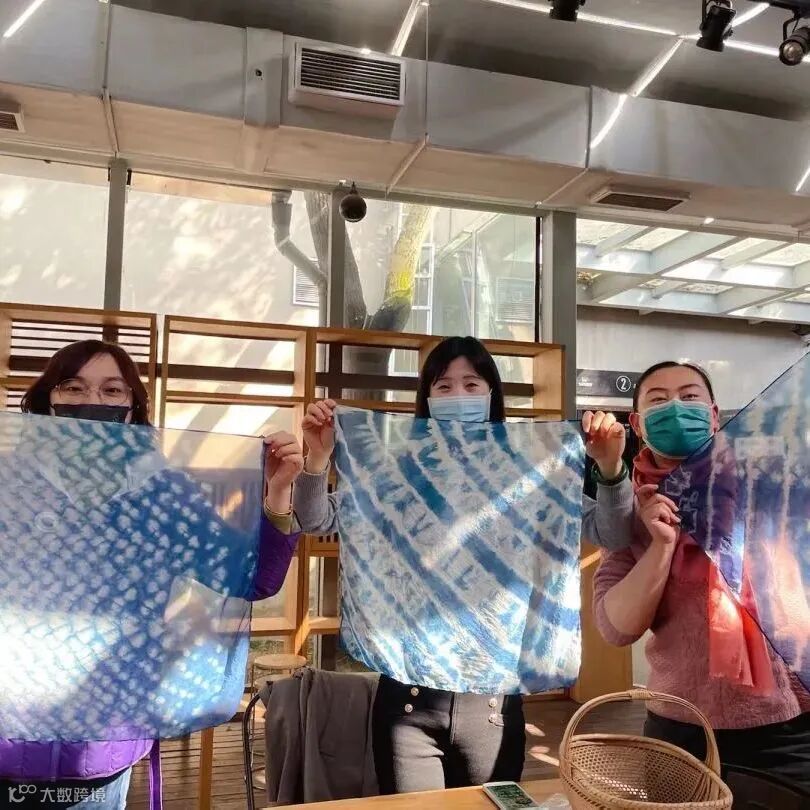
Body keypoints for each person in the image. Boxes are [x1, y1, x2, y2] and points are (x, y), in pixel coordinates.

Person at [292, 335, 634, 795]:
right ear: (427, 397)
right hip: (407, 702)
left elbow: (612, 533)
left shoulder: (527, 470)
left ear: (492, 394)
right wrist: (317, 458)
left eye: (472, 384)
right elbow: (315, 519)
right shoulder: (401, 470)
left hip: (493, 708)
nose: (458, 395)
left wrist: (611, 470)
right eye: (444, 386)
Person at [0, 340, 304, 809]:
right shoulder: (9, 483)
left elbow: (252, 579)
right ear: (46, 401)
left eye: (112, 390)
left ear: (132, 407)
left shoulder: (159, 494)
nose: (92, 401)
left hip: (103, 745)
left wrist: (278, 491)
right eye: (73, 387)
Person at [593, 360, 810, 789]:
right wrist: (661, 546)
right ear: (637, 423)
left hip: (788, 727)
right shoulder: (626, 512)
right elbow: (615, 627)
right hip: (681, 731)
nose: (676, 408)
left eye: (689, 397)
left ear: (712, 414)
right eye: (659, 400)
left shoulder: (769, 487)